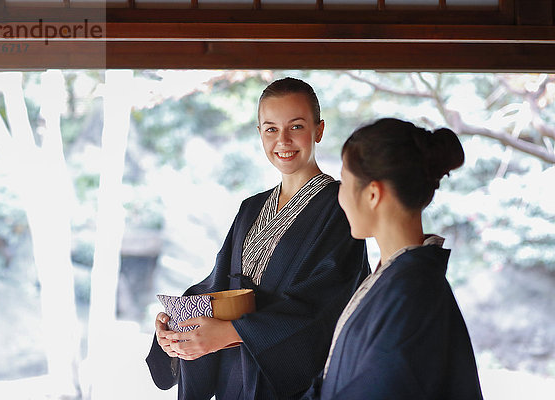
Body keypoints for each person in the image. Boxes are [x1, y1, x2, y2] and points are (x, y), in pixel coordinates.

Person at [145, 77, 370, 400]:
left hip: (288, 383)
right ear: (260, 134)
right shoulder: (251, 208)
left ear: (319, 130)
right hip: (233, 373)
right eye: (271, 129)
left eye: (296, 127)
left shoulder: (340, 206)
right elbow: (217, 285)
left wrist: (231, 332)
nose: (283, 140)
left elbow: (325, 305)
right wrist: (178, 327)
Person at [305, 118, 483, 399]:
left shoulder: (413, 294)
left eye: (344, 183)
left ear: (373, 194)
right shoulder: (400, 278)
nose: (339, 196)